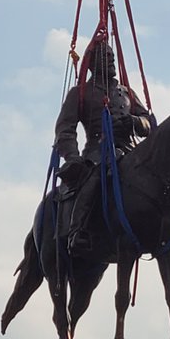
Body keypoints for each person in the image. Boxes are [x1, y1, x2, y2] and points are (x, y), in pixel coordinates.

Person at [54, 38, 151, 256]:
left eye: (112, 57)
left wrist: (135, 122)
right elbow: (65, 128)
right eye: (104, 57)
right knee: (96, 178)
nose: (110, 61)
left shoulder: (127, 92)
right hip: (98, 152)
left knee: (160, 179)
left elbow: (148, 123)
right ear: (91, 63)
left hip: (130, 151)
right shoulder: (80, 93)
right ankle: (77, 230)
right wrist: (72, 156)